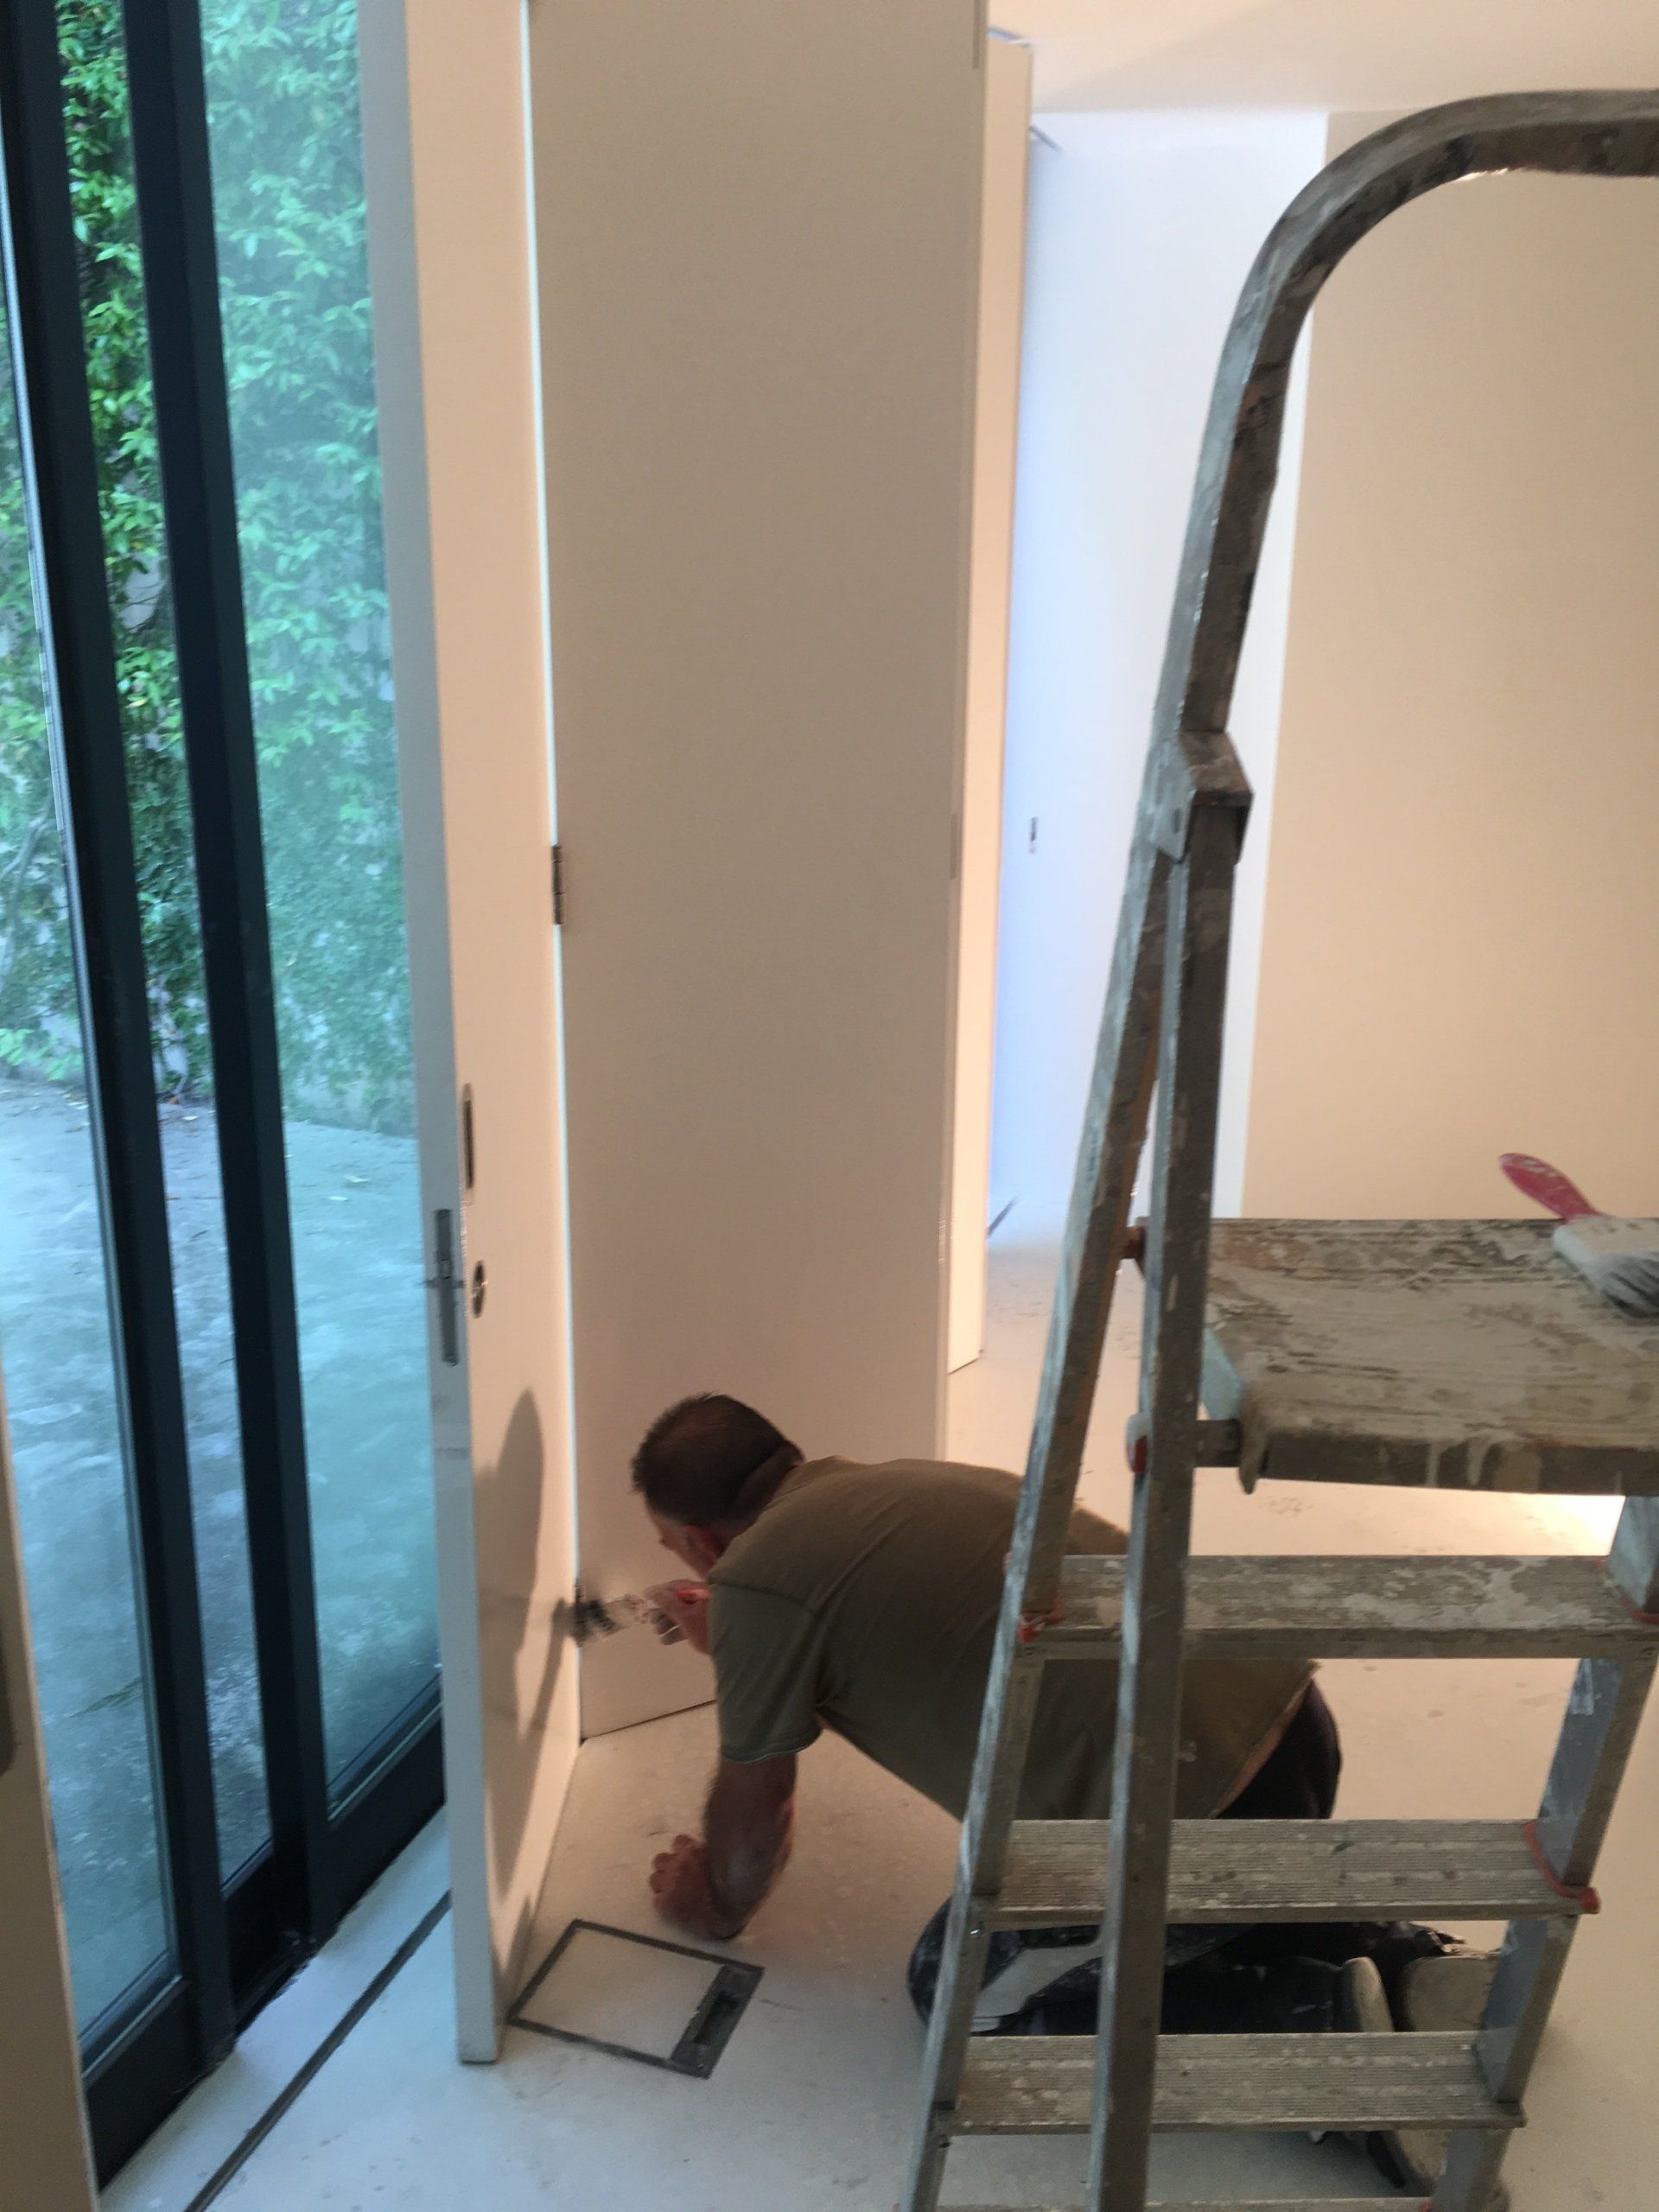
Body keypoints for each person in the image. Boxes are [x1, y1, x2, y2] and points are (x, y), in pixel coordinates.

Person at [635, 1393, 1486, 2190]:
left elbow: (753, 1834)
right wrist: (740, 1634)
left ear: (703, 1544)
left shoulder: (755, 1591)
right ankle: (1402, 1963)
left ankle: (1317, 2029)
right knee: (1195, 1883)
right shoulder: (911, 1480)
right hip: (1293, 1729)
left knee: (957, 1996)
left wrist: (710, 1901)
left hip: (1185, 1829)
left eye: (672, 1547)